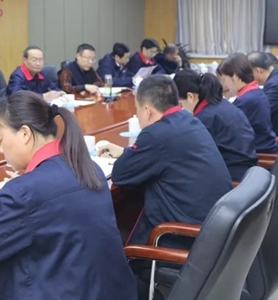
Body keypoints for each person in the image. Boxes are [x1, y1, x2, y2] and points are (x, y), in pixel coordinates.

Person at [0, 91, 139, 300]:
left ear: (25, 134)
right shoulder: (87, 167)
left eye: (1, 139)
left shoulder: (26, 191)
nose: (1, 149)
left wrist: (13, 192)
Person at [97, 76, 232, 249]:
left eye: (137, 109)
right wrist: (126, 152)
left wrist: (131, 154)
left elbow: (120, 175)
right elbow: (164, 153)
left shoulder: (155, 134)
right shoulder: (189, 120)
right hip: (213, 230)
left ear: (147, 110)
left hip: (182, 237)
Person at [173, 70, 257, 181]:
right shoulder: (221, 104)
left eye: (181, 104)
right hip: (247, 169)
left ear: (190, 97)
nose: (182, 109)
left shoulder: (205, 118)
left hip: (233, 176)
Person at [217, 53, 278, 154]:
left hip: (259, 153)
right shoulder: (255, 92)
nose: (224, 84)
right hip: (263, 147)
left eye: (224, 79)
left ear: (235, 77)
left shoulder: (245, 101)